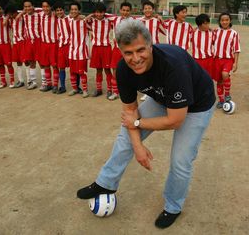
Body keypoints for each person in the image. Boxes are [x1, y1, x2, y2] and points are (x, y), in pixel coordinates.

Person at [77, 19, 216, 229]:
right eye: (128, 53)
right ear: (121, 51)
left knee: (181, 160)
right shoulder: (123, 69)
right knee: (126, 138)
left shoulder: (173, 65)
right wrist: (138, 146)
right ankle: (105, 183)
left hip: (197, 104)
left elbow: (176, 120)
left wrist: (139, 122)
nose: (135, 58)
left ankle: (173, 206)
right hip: (162, 98)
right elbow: (129, 112)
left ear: (151, 45)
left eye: (141, 50)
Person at [213, 13, 241, 108]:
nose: (224, 22)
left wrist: (235, 63)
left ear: (230, 21)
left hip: (228, 59)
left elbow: (236, 49)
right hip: (217, 60)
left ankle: (227, 95)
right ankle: (221, 100)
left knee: (225, 74)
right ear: (219, 21)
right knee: (219, 81)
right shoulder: (216, 31)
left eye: (227, 20)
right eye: (222, 20)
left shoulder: (234, 33)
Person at [86, 2, 113, 98]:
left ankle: (110, 89)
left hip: (106, 47)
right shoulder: (92, 21)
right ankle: (99, 89)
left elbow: (117, 16)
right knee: (98, 70)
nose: (99, 14)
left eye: (101, 12)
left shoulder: (109, 20)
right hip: (96, 48)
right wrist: (92, 14)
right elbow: (84, 20)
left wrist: (105, 14)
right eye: (96, 12)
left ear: (104, 13)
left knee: (107, 69)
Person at [108, 2, 133, 101]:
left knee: (130, 70)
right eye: (123, 10)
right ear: (120, 10)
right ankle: (115, 92)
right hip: (117, 49)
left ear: (130, 11)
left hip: (129, 50)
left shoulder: (133, 21)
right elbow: (102, 15)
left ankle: (129, 92)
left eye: (127, 10)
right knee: (115, 70)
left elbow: (146, 18)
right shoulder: (115, 18)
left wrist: (157, 15)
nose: (125, 12)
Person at [68, 2, 90, 98]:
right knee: (72, 71)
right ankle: (75, 88)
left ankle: (85, 90)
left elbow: (94, 21)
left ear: (79, 10)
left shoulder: (84, 21)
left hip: (81, 51)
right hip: (72, 51)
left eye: (75, 9)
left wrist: (85, 17)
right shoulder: (69, 20)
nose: (73, 11)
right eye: (72, 9)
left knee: (81, 72)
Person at [5, 5, 28, 88]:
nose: (10, 16)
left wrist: (20, 13)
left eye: (11, 14)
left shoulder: (22, 16)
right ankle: (21, 80)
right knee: (18, 62)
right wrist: (8, 17)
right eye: (9, 15)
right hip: (15, 42)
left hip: (22, 41)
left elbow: (27, 10)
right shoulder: (10, 19)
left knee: (26, 61)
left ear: (15, 12)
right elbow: (4, 23)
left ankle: (29, 80)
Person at [53, 1, 71, 94]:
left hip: (70, 46)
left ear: (64, 10)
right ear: (55, 12)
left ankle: (77, 87)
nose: (59, 12)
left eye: (61, 10)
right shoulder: (56, 19)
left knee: (73, 67)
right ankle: (62, 86)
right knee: (61, 67)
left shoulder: (69, 19)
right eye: (57, 11)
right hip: (61, 46)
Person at [191, 13, 214, 79]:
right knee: (197, 77)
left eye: (208, 23)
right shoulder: (193, 33)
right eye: (205, 23)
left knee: (208, 78)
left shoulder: (212, 33)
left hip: (209, 59)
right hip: (197, 59)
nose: (207, 25)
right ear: (199, 24)